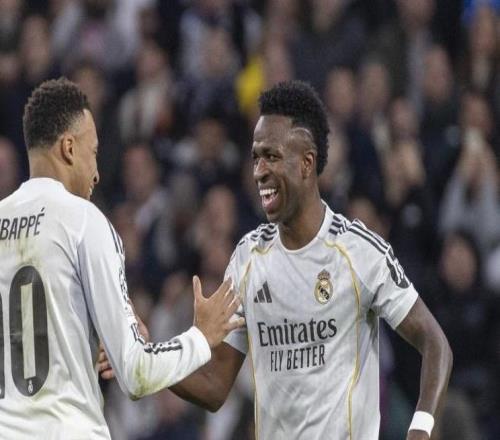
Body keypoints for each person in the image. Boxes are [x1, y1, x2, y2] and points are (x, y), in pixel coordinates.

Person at [0, 77, 243, 439]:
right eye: (93, 152)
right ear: (69, 148)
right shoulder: (84, 221)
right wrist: (201, 336)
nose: (97, 172)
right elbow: (135, 372)